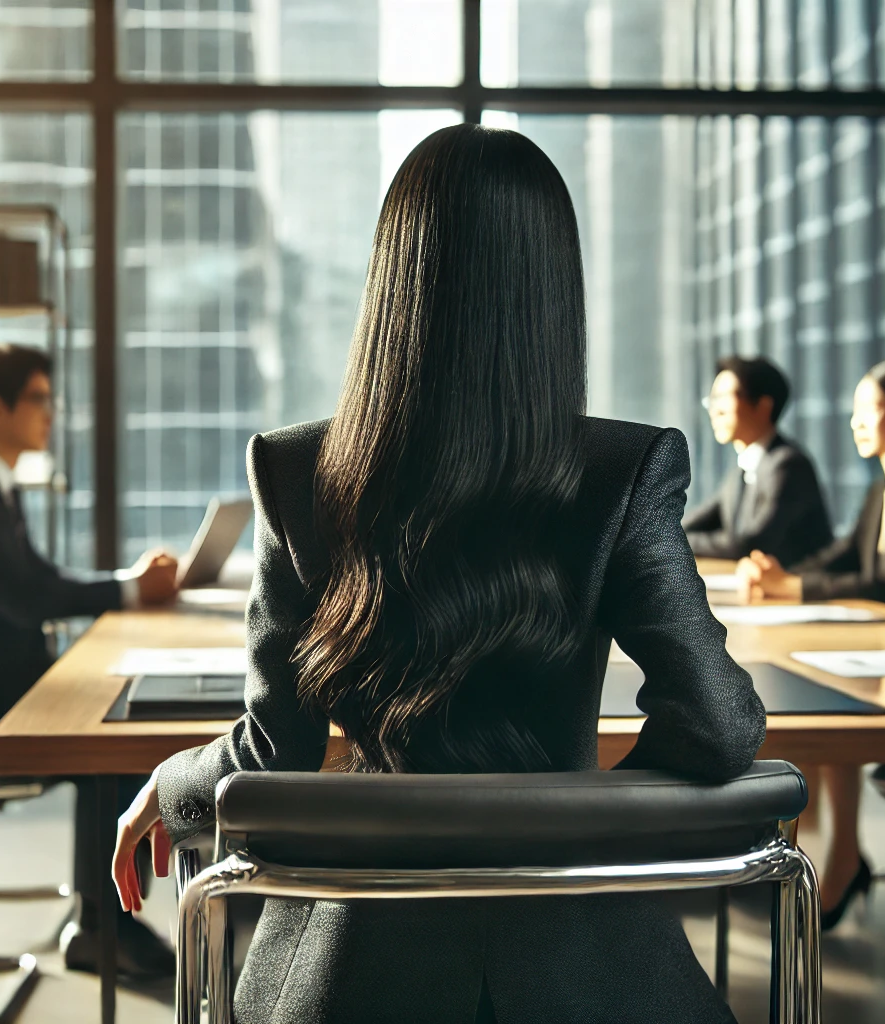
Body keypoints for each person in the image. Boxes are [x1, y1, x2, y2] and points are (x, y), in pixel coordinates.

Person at [113, 124, 766, 1024]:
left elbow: (273, 753)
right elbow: (720, 725)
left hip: (353, 970)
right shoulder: (624, 470)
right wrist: (588, 823)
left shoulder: (297, 471)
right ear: (555, 289)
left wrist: (172, 780)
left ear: (393, 279)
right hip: (581, 961)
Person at [0, 342, 180, 975]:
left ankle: (106, 921)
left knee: (121, 717)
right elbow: (28, 597)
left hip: (6, 691)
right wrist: (129, 588)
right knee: (109, 744)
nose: (50, 412)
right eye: (38, 398)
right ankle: (103, 929)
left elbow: (39, 581)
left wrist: (127, 586)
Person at [737, 358, 885, 929]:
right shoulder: (883, 490)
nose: (855, 421)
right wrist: (781, 576)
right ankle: (829, 857)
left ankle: (835, 861)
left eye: (870, 408)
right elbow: (843, 555)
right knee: (824, 703)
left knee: (832, 715)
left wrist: (792, 586)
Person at [683, 356, 832, 567]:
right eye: (712, 400)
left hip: (797, 585)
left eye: (723, 398)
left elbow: (750, 544)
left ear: (763, 406)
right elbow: (693, 524)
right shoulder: (741, 471)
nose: (714, 410)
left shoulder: (787, 465)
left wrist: (673, 540)